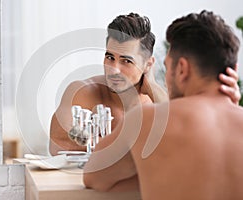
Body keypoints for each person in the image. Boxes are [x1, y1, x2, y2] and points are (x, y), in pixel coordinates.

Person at [83, 10, 243, 200]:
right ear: (233, 70)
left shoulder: (146, 121)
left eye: (167, 67)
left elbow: (94, 176)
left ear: (182, 69)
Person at [49, 13, 241, 156]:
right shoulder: (83, 91)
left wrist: (153, 89)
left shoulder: (158, 102)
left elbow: (188, 143)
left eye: (126, 61)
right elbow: (57, 142)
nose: (113, 69)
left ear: (148, 64)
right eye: (109, 57)